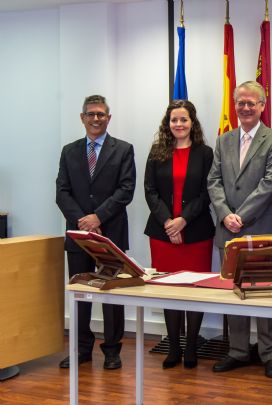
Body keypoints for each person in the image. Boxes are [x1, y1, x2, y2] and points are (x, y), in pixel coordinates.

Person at [207, 81, 272, 378]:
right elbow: (213, 180)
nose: (246, 108)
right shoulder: (223, 140)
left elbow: (270, 183)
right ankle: (238, 351)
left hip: (262, 228)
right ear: (235, 105)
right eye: (241, 103)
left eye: (252, 103)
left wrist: (241, 215)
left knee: (265, 292)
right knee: (233, 291)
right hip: (228, 231)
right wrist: (226, 215)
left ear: (262, 105)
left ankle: (270, 354)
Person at [55, 94, 136, 370]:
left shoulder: (123, 149)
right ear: (82, 118)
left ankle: (112, 351)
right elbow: (62, 192)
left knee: (113, 294)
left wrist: (98, 217)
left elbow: (126, 190)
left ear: (108, 118)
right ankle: (81, 349)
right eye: (91, 114)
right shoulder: (69, 151)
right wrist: (83, 220)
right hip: (79, 237)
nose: (96, 119)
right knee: (80, 293)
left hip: (110, 234)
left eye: (101, 114)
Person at [144, 99, 215, 369]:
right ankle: (173, 346)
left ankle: (191, 347)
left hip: (196, 233)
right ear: (168, 123)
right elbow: (149, 190)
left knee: (195, 290)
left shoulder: (205, 153)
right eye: (174, 120)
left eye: (184, 119)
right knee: (169, 290)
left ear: (192, 122)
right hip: (162, 235)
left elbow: (206, 193)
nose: (179, 124)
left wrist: (183, 220)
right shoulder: (157, 151)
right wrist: (168, 222)